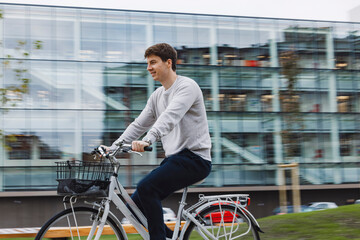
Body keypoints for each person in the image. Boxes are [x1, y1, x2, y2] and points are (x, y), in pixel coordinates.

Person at [104, 43, 212, 240]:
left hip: (195, 159)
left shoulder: (187, 87)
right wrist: (113, 148)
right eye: (148, 63)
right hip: (176, 160)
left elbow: (170, 117)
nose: (148, 67)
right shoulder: (157, 96)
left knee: (147, 188)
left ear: (168, 62)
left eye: (153, 62)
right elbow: (138, 124)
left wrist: (147, 140)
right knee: (135, 206)